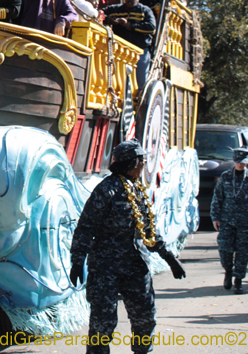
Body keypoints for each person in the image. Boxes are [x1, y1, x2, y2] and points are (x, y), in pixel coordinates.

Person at [70, 139, 185, 354]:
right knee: (102, 324)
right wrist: (77, 261)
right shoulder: (106, 190)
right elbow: (86, 227)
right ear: (133, 162)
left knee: (145, 318)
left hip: (135, 265)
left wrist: (169, 258)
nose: (144, 164)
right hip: (106, 268)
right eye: (142, 160)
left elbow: (149, 232)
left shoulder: (138, 190)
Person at [210, 147, 248, 293]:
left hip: (246, 222)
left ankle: (238, 280)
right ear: (234, 161)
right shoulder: (225, 177)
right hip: (227, 220)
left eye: (244, 162)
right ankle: (228, 271)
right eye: (239, 162)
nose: (241, 164)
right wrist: (215, 217)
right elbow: (217, 198)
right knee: (225, 250)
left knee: (243, 252)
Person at [102, 0, 156, 90]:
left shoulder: (145, 10)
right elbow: (99, 13)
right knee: (116, 78)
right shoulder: (116, 9)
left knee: (140, 81)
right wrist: (109, 20)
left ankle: (139, 101)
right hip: (119, 51)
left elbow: (151, 28)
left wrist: (129, 26)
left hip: (140, 51)